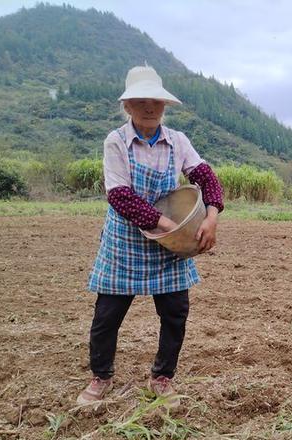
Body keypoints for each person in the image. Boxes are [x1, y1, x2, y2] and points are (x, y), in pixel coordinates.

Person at [77, 65, 224, 406]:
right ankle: (101, 376)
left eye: (155, 101)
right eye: (140, 101)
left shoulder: (178, 142)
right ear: (127, 106)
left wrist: (212, 215)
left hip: (167, 247)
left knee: (175, 312)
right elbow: (120, 196)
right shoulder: (116, 141)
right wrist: (173, 226)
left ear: (164, 106)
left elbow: (206, 177)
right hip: (126, 241)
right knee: (107, 315)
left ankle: (162, 376)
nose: (149, 107)